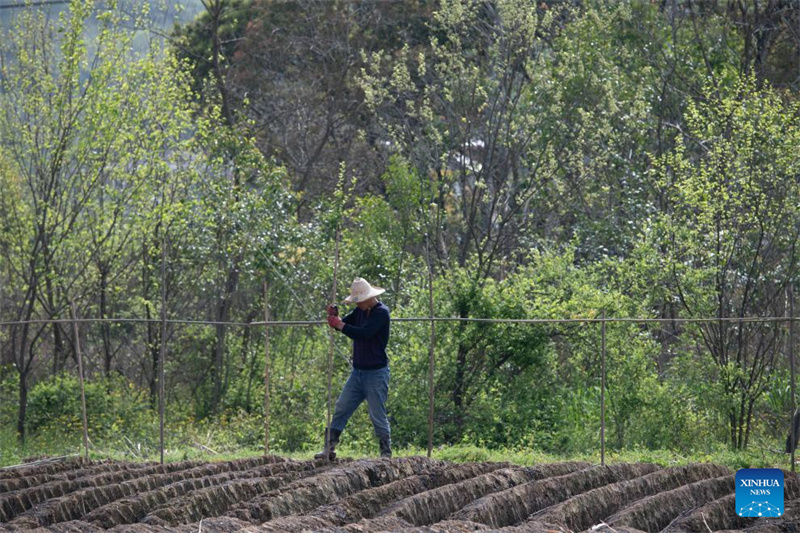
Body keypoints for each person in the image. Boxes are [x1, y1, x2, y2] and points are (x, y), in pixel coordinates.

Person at [315, 277, 392, 460]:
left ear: (369, 298)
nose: (357, 304)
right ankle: (329, 448)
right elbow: (344, 324)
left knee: (377, 414)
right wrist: (335, 317)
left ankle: (385, 453)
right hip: (358, 372)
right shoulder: (360, 311)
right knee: (342, 407)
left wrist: (340, 325)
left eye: (360, 300)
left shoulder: (381, 313)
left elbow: (364, 333)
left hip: (376, 373)